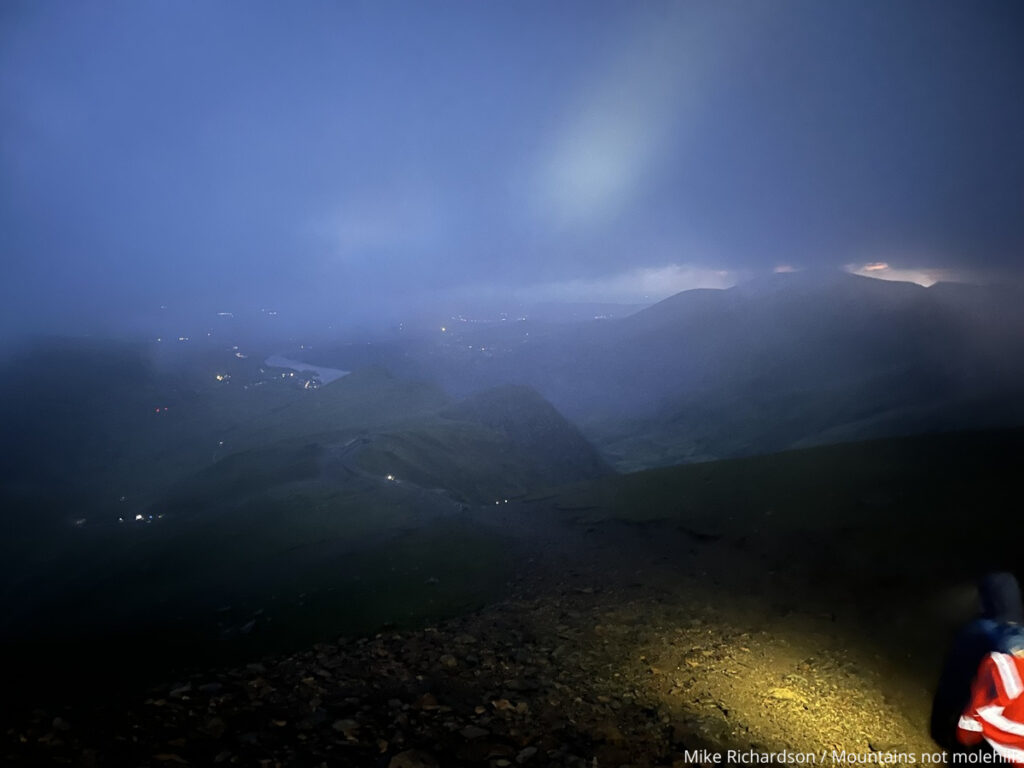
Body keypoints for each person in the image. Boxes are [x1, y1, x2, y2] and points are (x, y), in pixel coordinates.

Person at [931, 572, 1024, 752]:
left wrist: (939, 730)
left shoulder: (978, 632)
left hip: (985, 735)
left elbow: (950, 683)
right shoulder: (1020, 634)